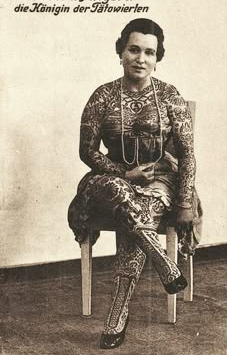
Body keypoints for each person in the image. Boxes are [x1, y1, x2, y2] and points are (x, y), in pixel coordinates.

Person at [68, 18, 201, 350]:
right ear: (121, 51)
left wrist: (185, 203)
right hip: (112, 179)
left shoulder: (171, 97)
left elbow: (187, 155)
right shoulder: (102, 97)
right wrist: (123, 173)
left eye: (150, 52)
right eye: (134, 49)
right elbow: (86, 150)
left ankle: (117, 314)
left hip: (161, 183)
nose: (141, 58)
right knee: (119, 191)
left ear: (158, 57)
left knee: (136, 210)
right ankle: (162, 261)